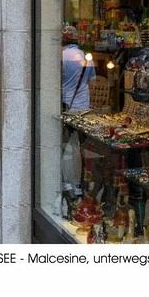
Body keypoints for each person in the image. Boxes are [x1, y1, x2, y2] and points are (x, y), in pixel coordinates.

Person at [60, 25, 96, 200]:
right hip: (83, 106)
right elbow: (92, 81)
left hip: (67, 105)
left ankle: (68, 181)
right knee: (81, 146)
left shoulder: (60, 56)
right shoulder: (86, 56)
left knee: (66, 146)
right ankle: (80, 183)